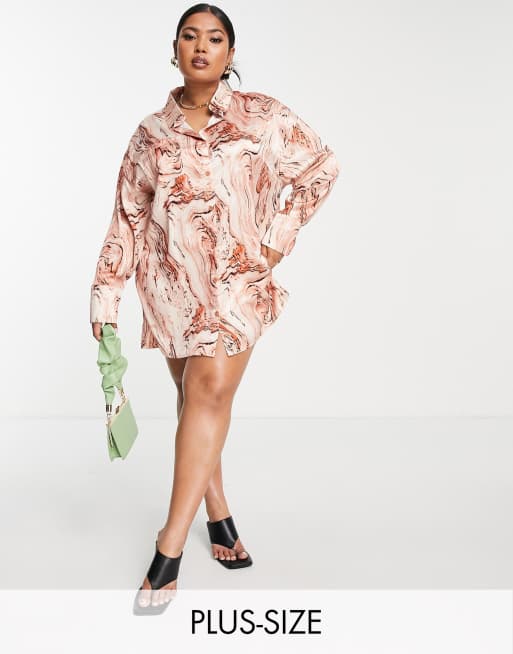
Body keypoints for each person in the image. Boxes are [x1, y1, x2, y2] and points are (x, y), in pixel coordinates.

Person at [90, 3, 340, 614]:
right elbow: (127, 218)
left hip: (237, 285)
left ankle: (168, 549)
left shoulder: (262, 116)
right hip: (171, 288)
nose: (201, 46)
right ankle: (218, 509)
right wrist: (105, 296)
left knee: (207, 392)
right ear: (175, 48)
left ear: (230, 53)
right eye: (190, 36)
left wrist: (276, 239)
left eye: (215, 38)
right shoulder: (150, 133)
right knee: (196, 398)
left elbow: (321, 167)